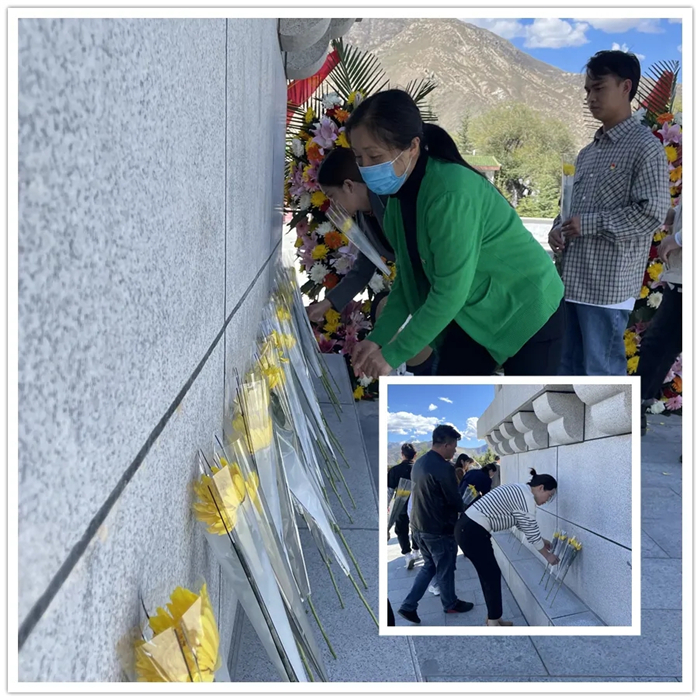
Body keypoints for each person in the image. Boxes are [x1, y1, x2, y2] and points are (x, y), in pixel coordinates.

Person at [343, 89, 566, 379]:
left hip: (527, 308)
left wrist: (393, 354)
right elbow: (409, 281)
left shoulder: (450, 193)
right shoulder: (399, 199)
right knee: (451, 387)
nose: (366, 169)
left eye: (375, 156)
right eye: (359, 158)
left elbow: (449, 291)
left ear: (412, 147)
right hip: (474, 313)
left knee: (524, 400)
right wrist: (377, 339)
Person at [549, 50, 670, 376]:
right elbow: (569, 207)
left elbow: (652, 213)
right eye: (588, 90)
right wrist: (558, 227)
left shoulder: (645, 147)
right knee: (565, 372)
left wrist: (588, 224)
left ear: (626, 87)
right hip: (570, 283)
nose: (590, 98)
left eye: (599, 88)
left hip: (607, 289)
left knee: (600, 375)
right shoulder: (587, 153)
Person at [308, 147, 436, 376]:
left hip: (436, 288)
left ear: (349, 185)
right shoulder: (363, 215)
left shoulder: (391, 201)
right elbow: (363, 267)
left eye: (332, 196)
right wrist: (326, 304)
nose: (332, 205)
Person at [454, 469, 559, 626]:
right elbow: (531, 530)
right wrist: (547, 555)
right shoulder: (526, 498)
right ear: (541, 488)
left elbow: (523, 524)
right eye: (549, 496)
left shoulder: (521, 490)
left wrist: (542, 541)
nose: (547, 501)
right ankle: (493, 622)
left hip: (470, 529)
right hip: (472, 531)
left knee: (489, 575)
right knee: (490, 575)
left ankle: (494, 618)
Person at [397, 425, 474, 624]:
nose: (455, 451)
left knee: (430, 566)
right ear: (446, 444)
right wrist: (468, 505)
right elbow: (454, 500)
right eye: (454, 446)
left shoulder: (420, 462)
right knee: (445, 568)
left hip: (419, 526)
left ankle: (408, 606)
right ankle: (450, 604)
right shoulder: (444, 467)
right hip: (438, 528)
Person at [636, 197, 682, 437]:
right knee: (659, 347)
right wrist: (672, 215)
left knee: (658, 346)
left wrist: (678, 239)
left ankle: (638, 407)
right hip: (680, 279)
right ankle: (639, 406)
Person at [387, 443, 421, 568]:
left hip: (401, 504)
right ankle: (416, 551)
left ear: (402, 454)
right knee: (416, 528)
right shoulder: (419, 469)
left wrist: (386, 506)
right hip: (417, 504)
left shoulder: (395, 470)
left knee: (401, 530)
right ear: (415, 455)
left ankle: (407, 555)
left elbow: (389, 491)